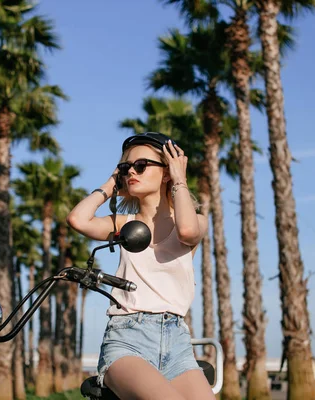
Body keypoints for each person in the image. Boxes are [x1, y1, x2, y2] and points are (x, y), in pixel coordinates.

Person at [67, 132, 214, 399]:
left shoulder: (198, 220)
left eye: (141, 166)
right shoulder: (124, 224)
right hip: (127, 339)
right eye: (126, 167)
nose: (132, 172)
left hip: (177, 341)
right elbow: (78, 220)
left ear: (167, 171)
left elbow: (188, 231)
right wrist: (111, 183)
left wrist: (179, 178)